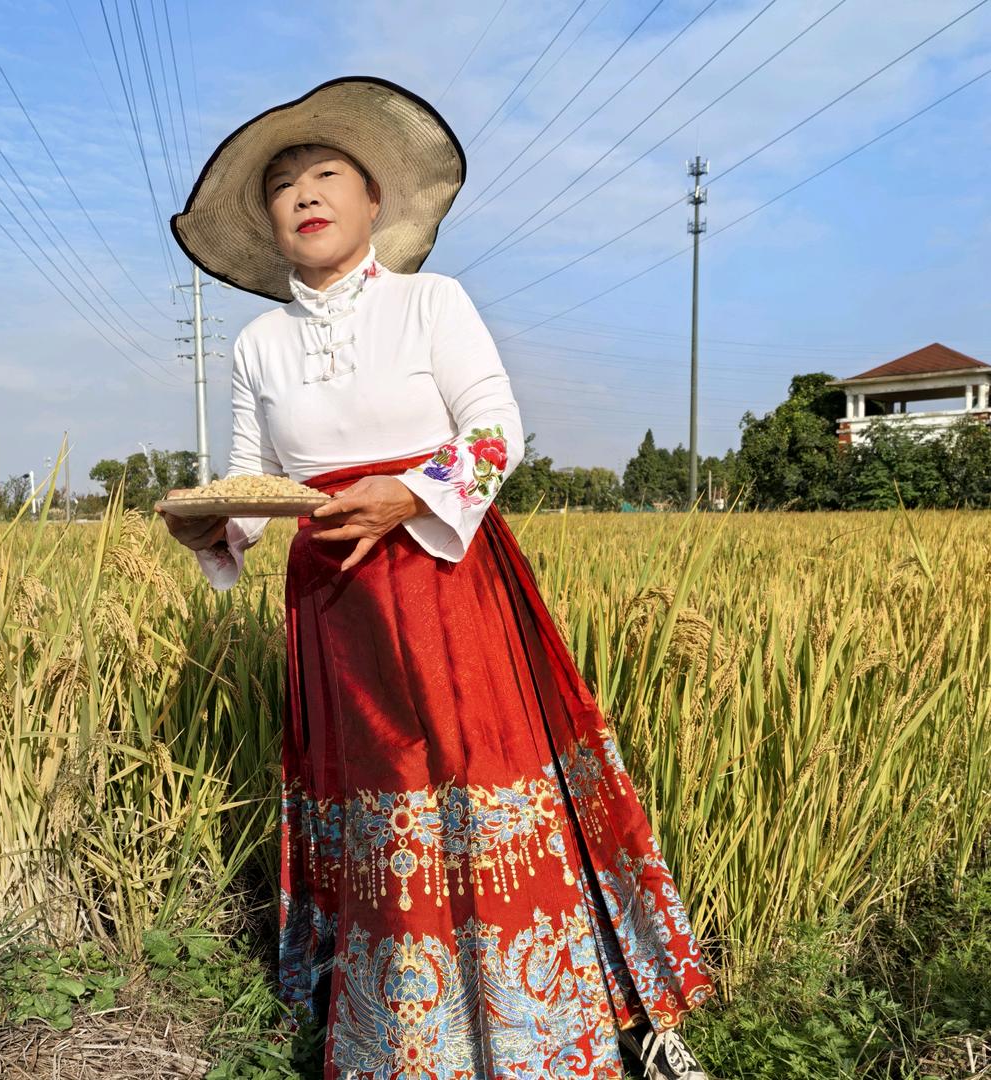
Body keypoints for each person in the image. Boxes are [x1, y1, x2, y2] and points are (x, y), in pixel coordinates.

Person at [161, 75, 716, 1080]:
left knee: (474, 790)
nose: (303, 193)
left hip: (446, 578)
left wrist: (407, 497)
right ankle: (403, 1036)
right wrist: (209, 528)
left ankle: (546, 1029)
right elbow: (253, 486)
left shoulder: (432, 302)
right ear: (271, 224)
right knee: (381, 804)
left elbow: (495, 433)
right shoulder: (257, 344)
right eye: (281, 186)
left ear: (375, 201)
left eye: (325, 172)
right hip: (334, 601)